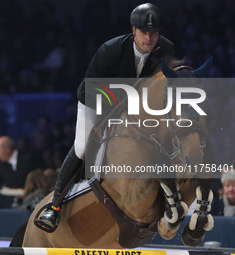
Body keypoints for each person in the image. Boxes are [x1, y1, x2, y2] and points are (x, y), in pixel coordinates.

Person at [36, 3, 175, 231]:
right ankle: (55, 205)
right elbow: (95, 90)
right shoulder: (111, 49)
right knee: (82, 146)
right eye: (144, 32)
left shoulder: (166, 50)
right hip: (96, 100)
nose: (150, 38)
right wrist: (106, 122)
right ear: (133, 30)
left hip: (133, 105)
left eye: (154, 33)